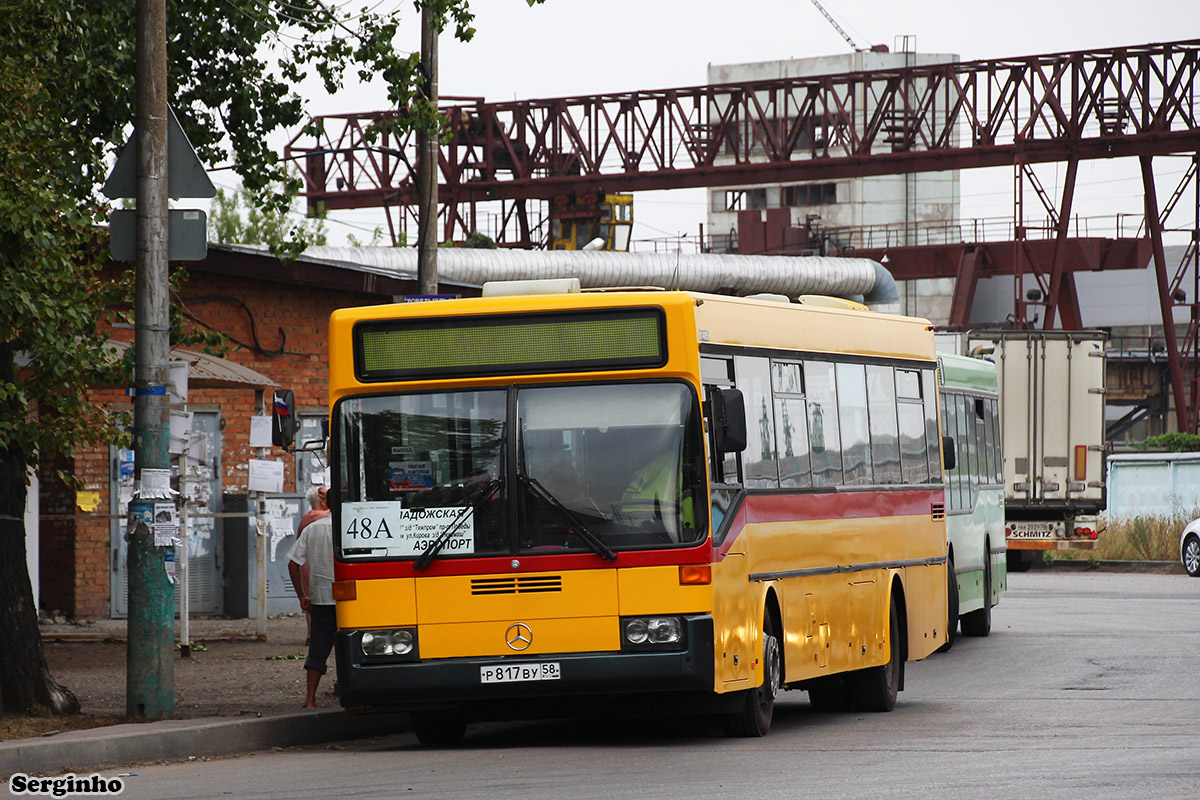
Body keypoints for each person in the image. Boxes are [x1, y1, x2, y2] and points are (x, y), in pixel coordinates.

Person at [287, 513, 335, 708]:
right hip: (354, 599)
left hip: (321, 598)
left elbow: (293, 563)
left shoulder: (313, 528)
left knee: (317, 650)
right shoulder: (353, 523)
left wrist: (302, 595)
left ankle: (310, 700)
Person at [296, 486, 329, 644]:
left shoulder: (305, 517)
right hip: (322, 562)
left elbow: (298, 543)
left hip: (305, 563)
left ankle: (310, 633)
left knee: (309, 598)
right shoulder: (324, 516)